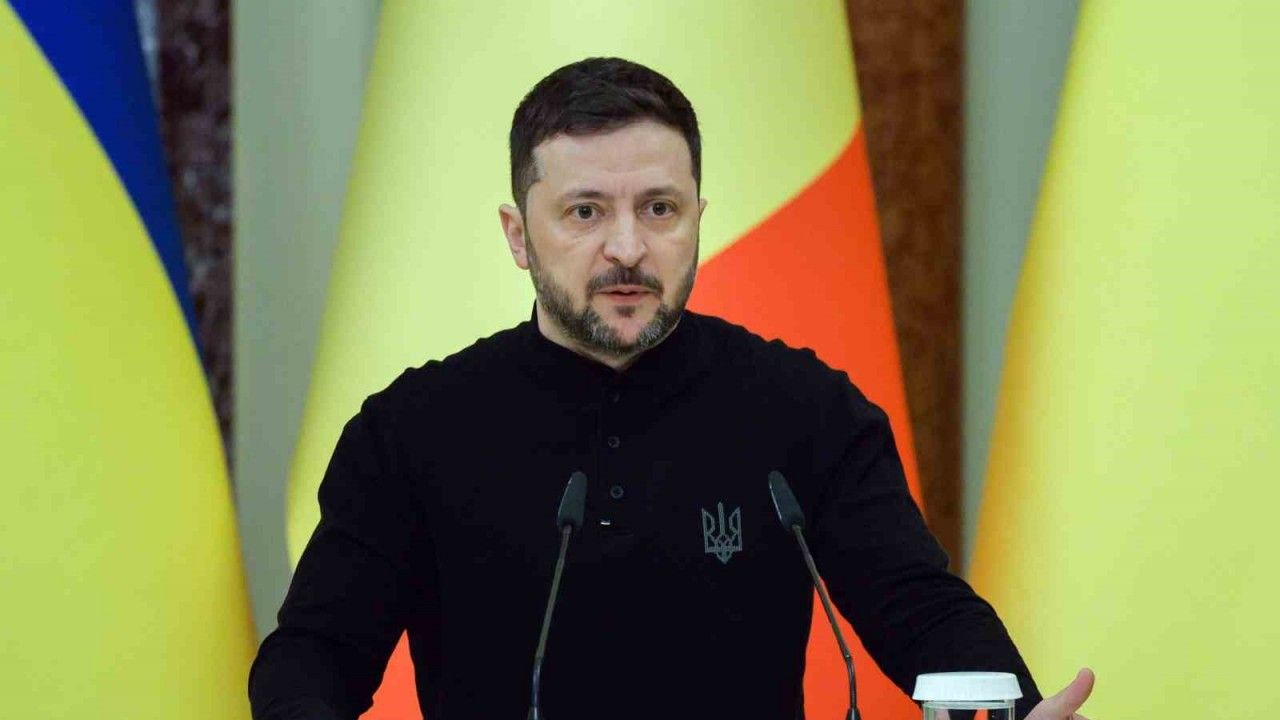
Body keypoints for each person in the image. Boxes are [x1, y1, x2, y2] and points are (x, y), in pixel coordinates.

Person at [249, 57, 1093, 720]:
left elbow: (920, 609)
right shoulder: (413, 429)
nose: (627, 249)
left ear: (697, 217)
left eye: (659, 209)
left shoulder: (804, 409)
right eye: (585, 212)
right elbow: (316, 652)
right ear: (518, 234)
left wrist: (1012, 708)